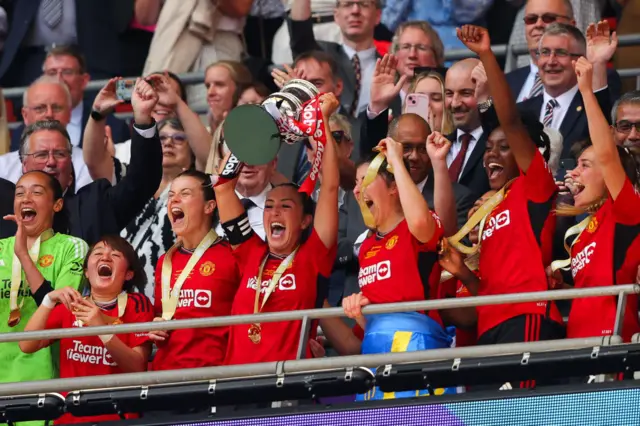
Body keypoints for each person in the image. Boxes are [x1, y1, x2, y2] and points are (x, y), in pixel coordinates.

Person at [441, 26, 565, 385]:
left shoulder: (534, 188)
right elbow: (489, 296)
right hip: (488, 329)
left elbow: (509, 120)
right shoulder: (489, 209)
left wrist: (486, 56)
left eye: (504, 147)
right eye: (488, 148)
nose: (491, 155)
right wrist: (463, 272)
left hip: (526, 320)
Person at [342, 132, 474, 400]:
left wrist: (395, 161)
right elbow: (371, 323)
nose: (357, 190)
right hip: (373, 350)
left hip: (416, 343)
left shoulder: (416, 227)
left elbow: (420, 224)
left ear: (393, 187)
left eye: (365, 181)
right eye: (355, 184)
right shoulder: (366, 247)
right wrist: (358, 314)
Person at [217, 93, 340, 365]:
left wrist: (324, 122)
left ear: (305, 221)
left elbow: (330, 187)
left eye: (285, 207)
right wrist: (259, 130)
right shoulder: (250, 252)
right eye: (269, 205)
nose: (273, 211)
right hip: (235, 384)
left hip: (285, 387)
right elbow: (224, 186)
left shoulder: (314, 256)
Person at [1, 78, 163, 247]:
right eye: (41, 154)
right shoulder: (4, 202)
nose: (51, 162)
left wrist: (143, 119)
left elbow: (142, 181)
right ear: (24, 165)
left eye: (59, 154)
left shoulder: (94, 205)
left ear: (70, 167)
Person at [551, 58, 640, 342]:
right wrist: (560, 289)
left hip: (614, 345)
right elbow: (593, 296)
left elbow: (605, 150)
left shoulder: (625, 211)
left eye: (585, 165)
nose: (573, 172)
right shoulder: (584, 232)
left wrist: (587, 90)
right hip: (578, 345)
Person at [19, 235, 153, 424]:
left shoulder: (137, 304)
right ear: (87, 272)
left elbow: (138, 367)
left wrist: (102, 329)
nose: (105, 257)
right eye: (98, 253)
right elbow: (26, 344)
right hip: (72, 418)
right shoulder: (72, 306)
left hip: (118, 417)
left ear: (128, 274)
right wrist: (48, 300)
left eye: (115, 255)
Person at [0, 171, 88, 385]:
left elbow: (59, 312)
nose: (26, 198)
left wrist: (22, 254)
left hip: (46, 378)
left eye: (36, 192)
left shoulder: (72, 247)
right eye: (19, 193)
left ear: (56, 205)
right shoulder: (1, 248)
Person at [149, 170, 241, 370]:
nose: (174, 200)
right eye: (171, 195)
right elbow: (161, 316)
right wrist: (156, 327)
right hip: (164, 376)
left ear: (209, 206)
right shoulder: (165, 261)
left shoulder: (233, 256)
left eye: (185, 194)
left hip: (213, 376)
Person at [121, 119, 196, 302]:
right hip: (126, 302)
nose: (169, 142)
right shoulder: (132, 188)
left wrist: (177, 102)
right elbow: (94, 162)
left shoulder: (199, 192)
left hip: (174, 296)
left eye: (179, 138)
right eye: (162, 138)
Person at [5, 44, 131, 151]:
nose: (59, 79)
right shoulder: (21, 133)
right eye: (52, 73)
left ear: (84, 80)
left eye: (67, 72)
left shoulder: (113, 127)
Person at [0, 76, 94, 190]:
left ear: (69, 113)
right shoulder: (3, 167)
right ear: (25, 115)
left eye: (56, 108)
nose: (49, 114)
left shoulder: (87, 165)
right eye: (40, 108)